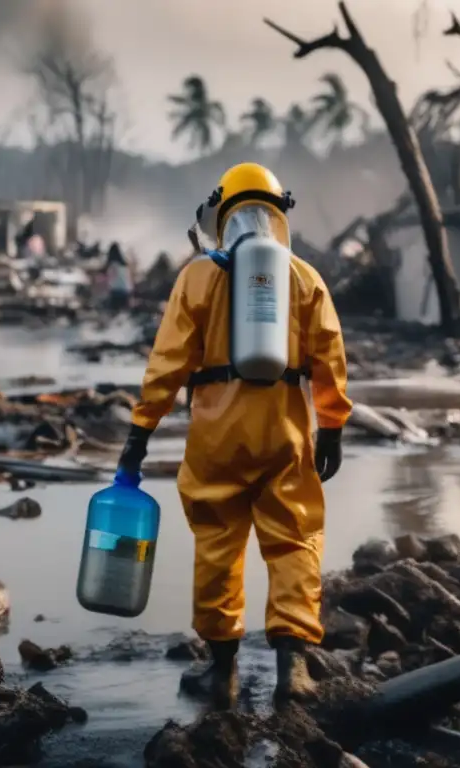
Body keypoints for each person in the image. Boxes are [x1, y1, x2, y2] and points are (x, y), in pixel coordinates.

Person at [115, 162, 352, 709]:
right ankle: (292, 674)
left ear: (222, 215)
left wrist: (139, 434)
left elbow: (166, 364)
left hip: (216, 437)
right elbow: (329, 360)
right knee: (294, 540)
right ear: (277, 214)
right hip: (286, 432)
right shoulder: (304, 277)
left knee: (218, 544)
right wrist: (332, 429)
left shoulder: (198, 276)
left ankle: (222, 675)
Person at [103, 242, 133, 311]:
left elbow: (110, 280)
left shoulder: (112, 265)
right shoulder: (124, 265)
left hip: (116, 292)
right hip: (126, 291)